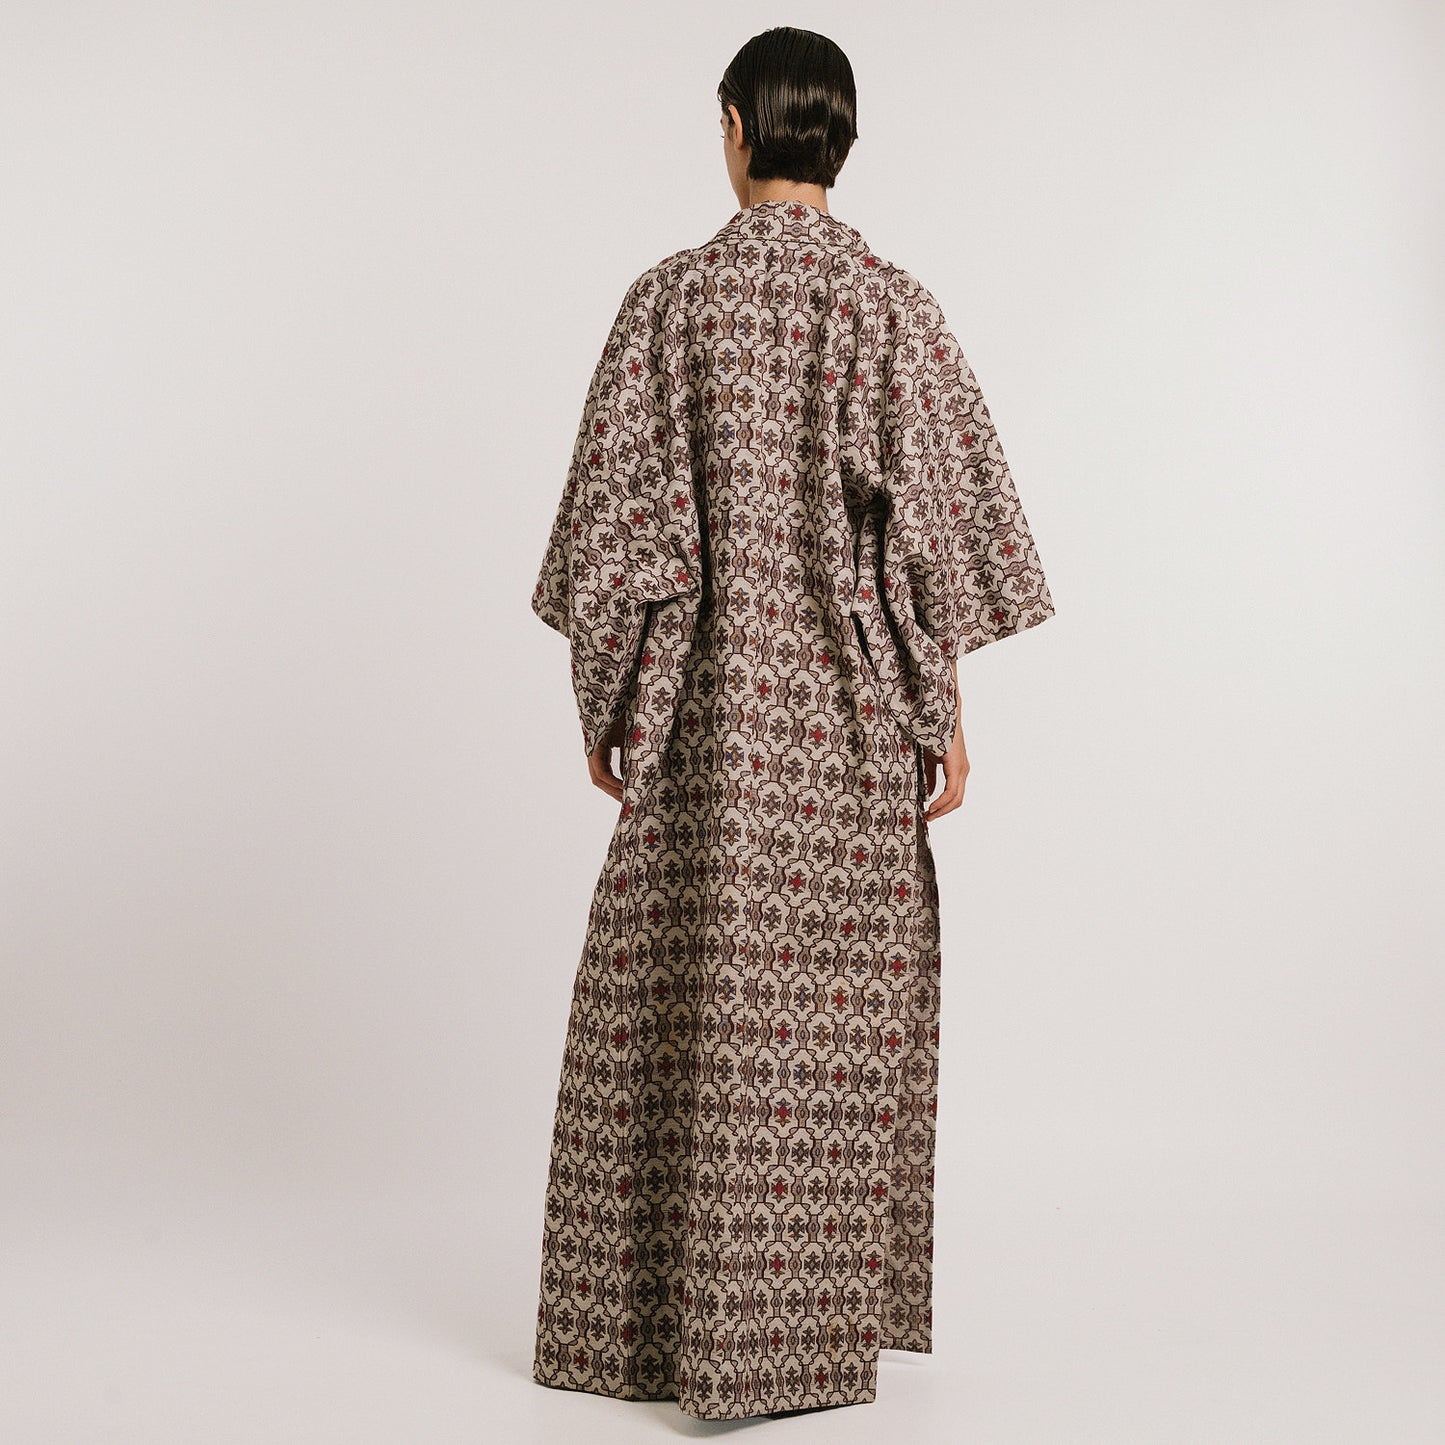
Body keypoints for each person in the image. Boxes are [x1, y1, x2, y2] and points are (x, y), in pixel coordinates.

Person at [529, 25, 1056, 1422]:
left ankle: (643, 1338)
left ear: (731, 126)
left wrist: (612, 702)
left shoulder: (666, 306)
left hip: (709, 732)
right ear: (844, 141)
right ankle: (809, 1343)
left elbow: (620, 540)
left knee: (673, 1014)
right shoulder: (891, 310)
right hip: (847, 740)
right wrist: (942, 712)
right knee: (828, 1032)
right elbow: (933, 546)